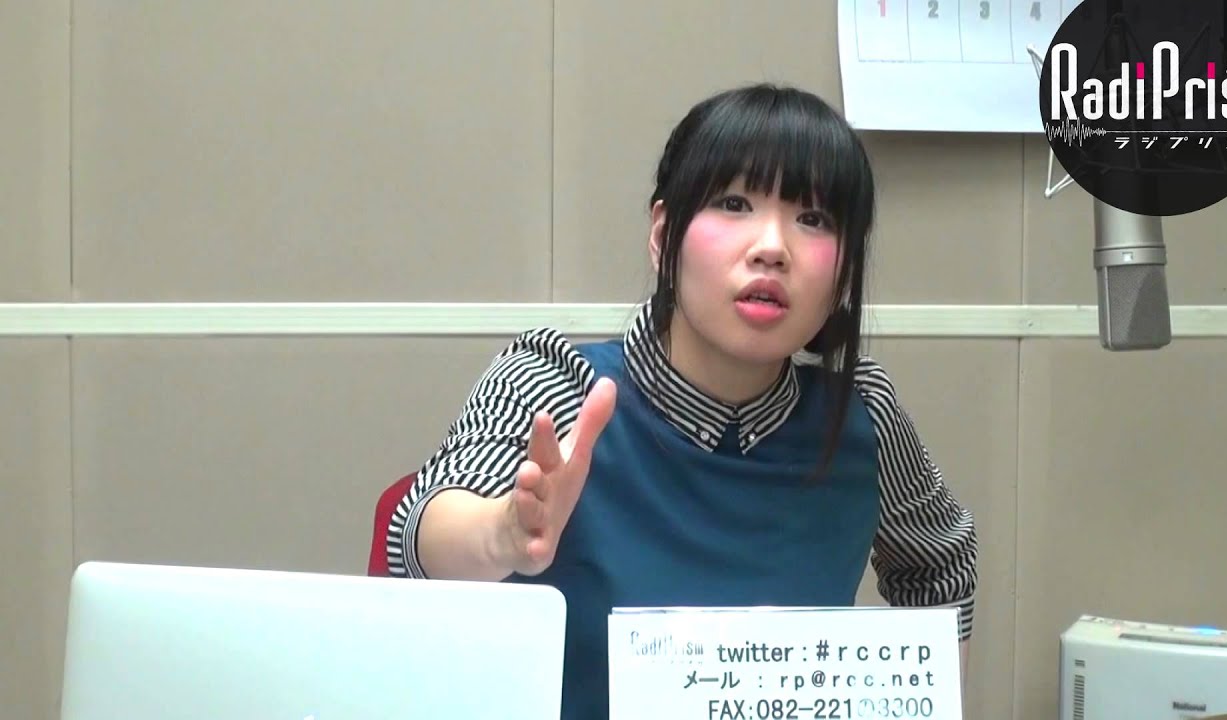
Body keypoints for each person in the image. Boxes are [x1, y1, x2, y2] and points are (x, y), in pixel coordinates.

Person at [385, 83, 978, 720]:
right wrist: (502, 534)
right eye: (734, 203)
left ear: (845, 273)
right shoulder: (559, 381)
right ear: (663, 234)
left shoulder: (863, 413)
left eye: (814, 219)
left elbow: (941, 564)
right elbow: (424, 527)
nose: (772, 247)